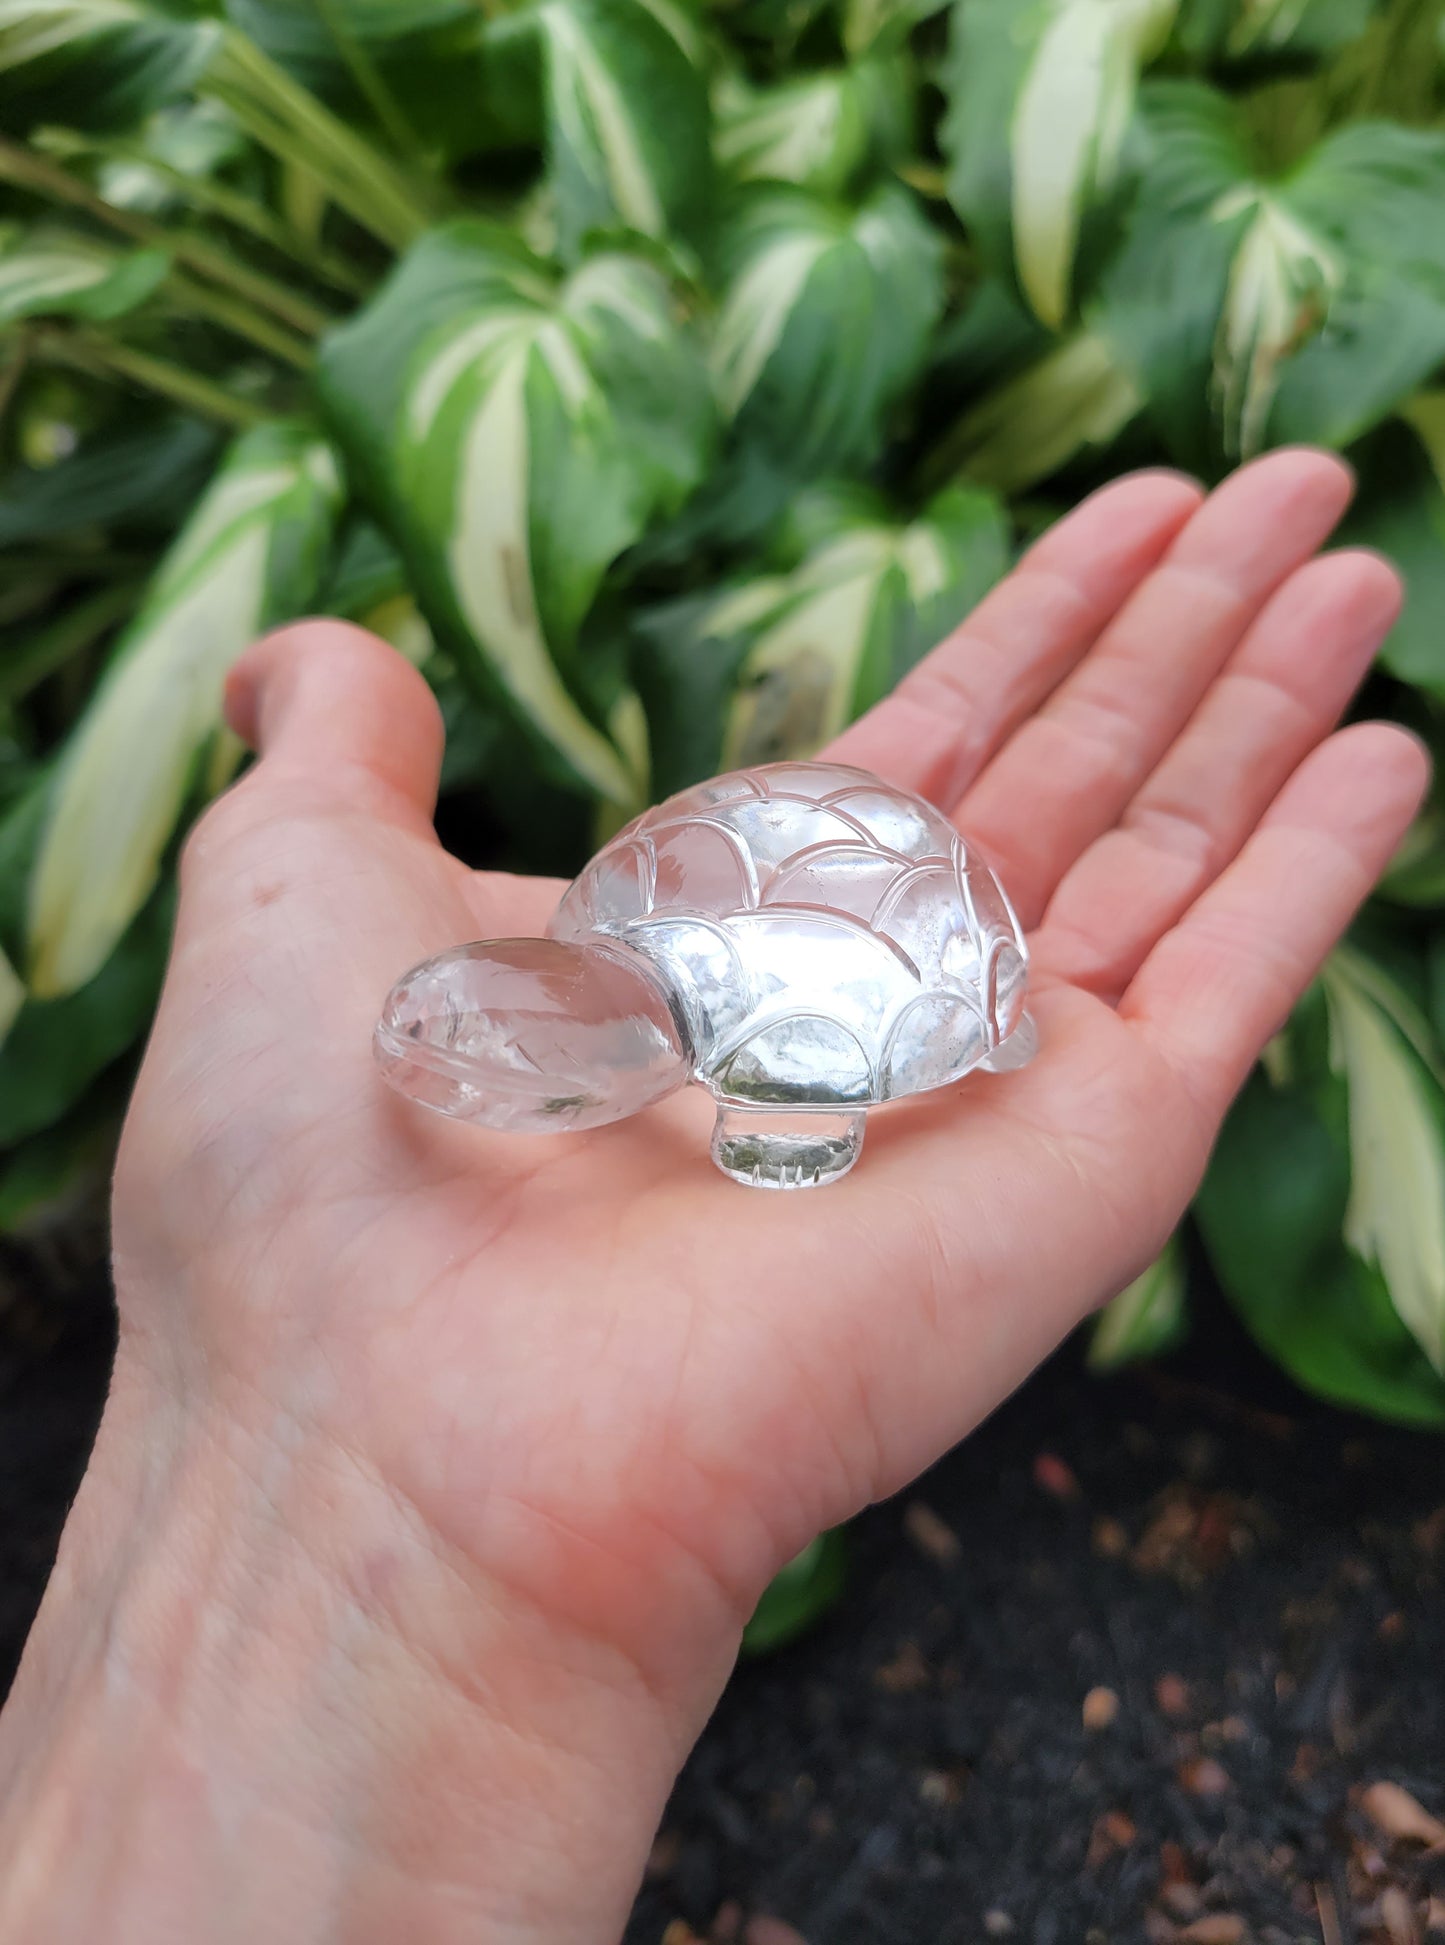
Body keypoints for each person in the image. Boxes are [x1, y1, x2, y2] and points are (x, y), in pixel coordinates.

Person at [0, 450, 1426, 1942]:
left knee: (792, 1100)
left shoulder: (733, 1040)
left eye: (498, 1048)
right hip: (712, 935)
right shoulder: (586, 932)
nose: (458, 1065)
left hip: (881, 983)